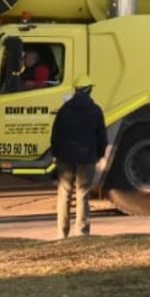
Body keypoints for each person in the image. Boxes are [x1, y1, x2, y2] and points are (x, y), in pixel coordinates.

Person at [50, 73, 108, 239]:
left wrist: (55, 153)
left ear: (76, 90)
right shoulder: (95, 110)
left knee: (64, 194)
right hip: (87, 157)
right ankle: (81, 232)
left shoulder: (65, 109)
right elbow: (101, 136)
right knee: (82, 193)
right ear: (89, 90)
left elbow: (56, 134)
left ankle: (62, 232)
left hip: (65, 157)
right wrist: (99, 154)